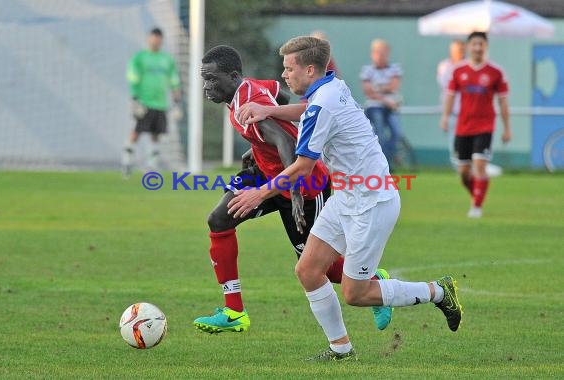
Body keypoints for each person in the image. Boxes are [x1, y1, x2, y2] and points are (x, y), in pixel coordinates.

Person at [231, 36, 463, 361]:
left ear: (309, 69)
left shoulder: (324, 101)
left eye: (289, 68)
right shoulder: (331, 86)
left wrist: (260, 192)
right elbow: (310, 110)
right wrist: (268, 109)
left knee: (357, 293)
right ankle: (341, 349)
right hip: (347, 197)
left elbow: (302, 167)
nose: (284, 75)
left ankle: (439, 292)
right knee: (308, 270)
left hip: (372, 203)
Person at [193, 45, 393, 334]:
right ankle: (234, 311)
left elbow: (285, 143)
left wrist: (296, 194)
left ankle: (375, 280)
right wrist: (258, 146)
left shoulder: (248, 105)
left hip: (305, 184)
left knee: (317, 267)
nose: (206, 86)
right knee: (219, 219)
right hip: (266, 173)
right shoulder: (248, 89)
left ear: (234, 76)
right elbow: (279, 95)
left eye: (212, 79)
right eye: (204, 79)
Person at [440, 32, 511, 218]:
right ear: (468, 46)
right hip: (463, 127)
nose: (478, 48)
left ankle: (476, 207)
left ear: (486, 46)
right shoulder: (458, 71)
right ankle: (477, 195)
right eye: (474, 44)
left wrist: (507, 128)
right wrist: (445, 117)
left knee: (479, 166)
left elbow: (503, 102)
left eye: (481, 44)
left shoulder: (496, 72)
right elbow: (450, 96)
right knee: (464, 172)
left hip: (485, 126)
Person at [122, 28, 181, 178]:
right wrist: (135, 98)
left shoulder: (167, 59)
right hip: (144, 103)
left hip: (161, 103)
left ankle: (151, 166)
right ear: (149, 39)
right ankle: (127, 161)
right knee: (137, 131)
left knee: (156, 134)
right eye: (154, 38)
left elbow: (173, 79)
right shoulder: (140, 57)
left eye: (159, 39)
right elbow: (133, 76)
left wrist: (176, 98)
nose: (156, 41)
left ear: (161, 40)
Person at [360, 39, 403, 167]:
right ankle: (382, 165)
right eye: (378, 52)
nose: (380, 55)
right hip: (375, 107)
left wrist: (377, 87)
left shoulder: (395, 68)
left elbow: (393, 86)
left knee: (397, 133)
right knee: (381, 136)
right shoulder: (367, 70)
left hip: (391, 107)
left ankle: (386, 159)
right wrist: (385, 98)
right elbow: (368, 92)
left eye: (383, 52)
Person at [437, 40, 465, 167]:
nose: (456, 53)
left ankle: (468, 166)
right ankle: (458, 167)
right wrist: (445, 116)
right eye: (454, 50)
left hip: (467, 110)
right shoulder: (444, 66)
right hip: (452, 110)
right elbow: (448, 88)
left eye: (459, 50)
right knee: (454, 141)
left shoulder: (468, 65)